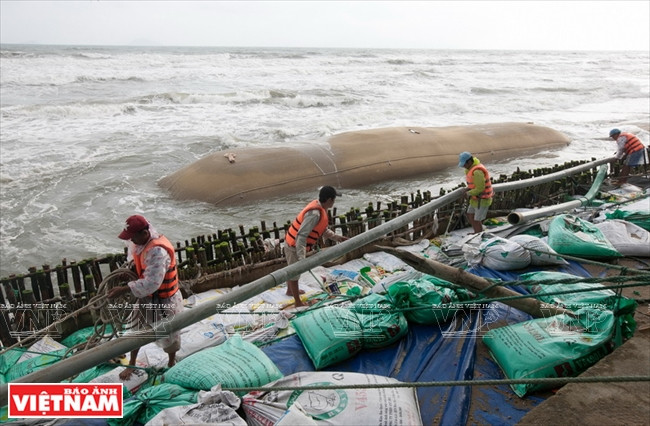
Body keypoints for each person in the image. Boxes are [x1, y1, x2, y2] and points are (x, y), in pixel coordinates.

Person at [107, 215, 183, 380]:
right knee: (136, 331)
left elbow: (152, 282)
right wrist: (129, 274)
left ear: (144, 232)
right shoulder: (137, 244)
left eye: (134, 236)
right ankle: (132, 363)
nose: (131, 241)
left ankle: (171, 362)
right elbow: (136, 264)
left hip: (164, 300)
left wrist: (123, 289)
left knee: (169, 334)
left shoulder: (158, 251)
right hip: (144, 298)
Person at [284, 186, 349, 307]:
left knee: (291, 270)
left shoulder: (321, 209)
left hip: (294, 243)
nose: (334, 202)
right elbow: (301, 236)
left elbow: (322, 230)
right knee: (294, 273)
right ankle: (298, 302)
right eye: (334, 199)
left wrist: (337, 237)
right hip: (293, 245)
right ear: (329, 200)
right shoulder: (314, 214)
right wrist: (302, 260)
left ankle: (289, 291)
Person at [458, 151, 493, 234]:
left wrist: (468, 193)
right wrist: (468, 189)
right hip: (475, 199)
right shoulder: (471, 169)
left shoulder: (477, 172)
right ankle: (476, 232)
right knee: (470, 214)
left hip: (482, 200)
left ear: (469, 162)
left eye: (464, 164)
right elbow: (474, 185)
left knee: (477, 219)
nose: (463, 166)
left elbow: (480, 188)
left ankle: (478, 234)